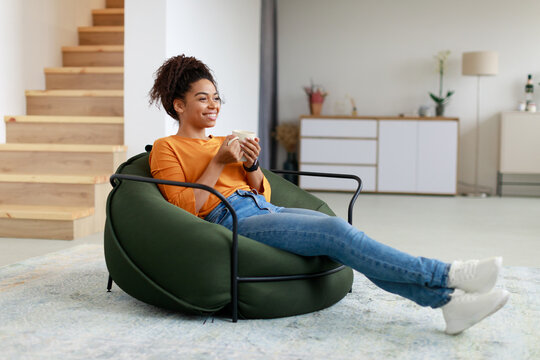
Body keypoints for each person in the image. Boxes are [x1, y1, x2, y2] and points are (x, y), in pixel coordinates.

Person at [148, 54, 509, 335]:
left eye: (216, 98)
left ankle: (447, 304)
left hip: (261, 207)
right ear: (179, 105)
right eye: (202, 98)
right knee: (337, 234)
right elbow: (187, 209)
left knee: (344, 234)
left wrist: (251, 164)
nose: (213, 105)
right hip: (229, 219)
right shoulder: (166, 149)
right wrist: (219, 161)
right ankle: (448, 274)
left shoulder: (221, 140)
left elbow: (262, 190)